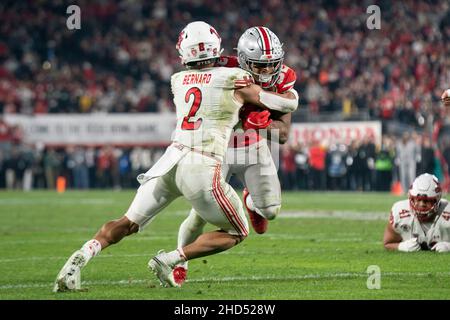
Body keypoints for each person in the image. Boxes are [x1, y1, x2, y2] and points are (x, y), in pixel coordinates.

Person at [53, 21, 298, 291]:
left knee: (128, 222)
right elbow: (287, 102)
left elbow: (278, 130)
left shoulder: (177, 80)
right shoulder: (233, 77)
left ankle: (81, 258)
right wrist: (286, 100)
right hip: (203, 164)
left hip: (170, 160)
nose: (265, 70)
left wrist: (257, 122)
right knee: (237, 232)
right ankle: (172, 259)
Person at [173, 26, 298, 284]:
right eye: (258, 66)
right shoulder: (223, 69)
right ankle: (179, 262)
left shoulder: (284, 77)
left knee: (271, 211)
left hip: (253, 147)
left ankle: (251, 201)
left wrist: (262, 125)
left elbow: (283, 134)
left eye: (271, 65)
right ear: (241, 60)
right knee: (198, 215)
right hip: (218, 149)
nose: (266, 72)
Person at [383, 173, 450, 252]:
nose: (421, 204)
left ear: (437, 200)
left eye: (426, 201)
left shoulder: (447, 212)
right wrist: (401, 246)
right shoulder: (400, 212)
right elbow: (388, 243)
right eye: (417, 199)